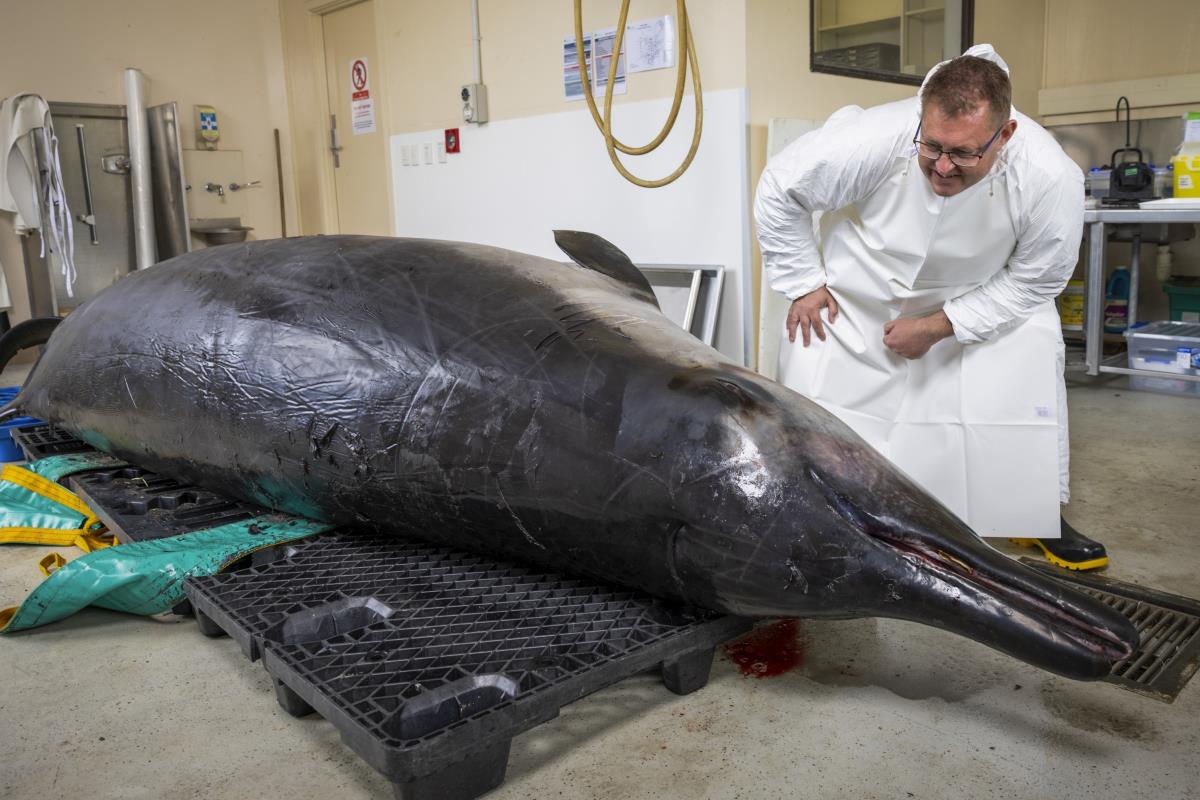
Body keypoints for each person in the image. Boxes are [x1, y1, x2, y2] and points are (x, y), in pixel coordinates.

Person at [754, 45, 1107, 570]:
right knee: (819, 384)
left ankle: (1028, 515)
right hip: (862, 295)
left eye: (964, 154)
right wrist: (805, 283)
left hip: (984, 298)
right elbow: (781, 189)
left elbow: (1039, 278)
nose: (942, 167)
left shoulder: (1050, 176)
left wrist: (944, 325)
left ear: (1005, 135)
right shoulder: (875, 136)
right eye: (932, 146)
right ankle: (821, 513)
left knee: (1025, 357)